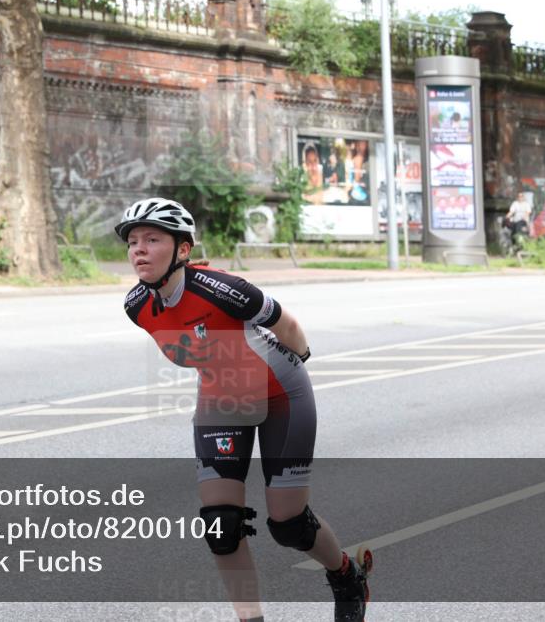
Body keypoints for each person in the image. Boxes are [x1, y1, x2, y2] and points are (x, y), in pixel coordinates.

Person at [116, 197, 371, 622]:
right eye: (133, 241)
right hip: (221, 399)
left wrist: (293, 365)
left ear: (182, 249)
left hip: (280, 394)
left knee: (288, 524)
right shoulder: (136, 306)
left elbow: (289, 327)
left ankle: (347, 576)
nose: (138, 249)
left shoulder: (224, 289)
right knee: (221, 526)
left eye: (152, 239)